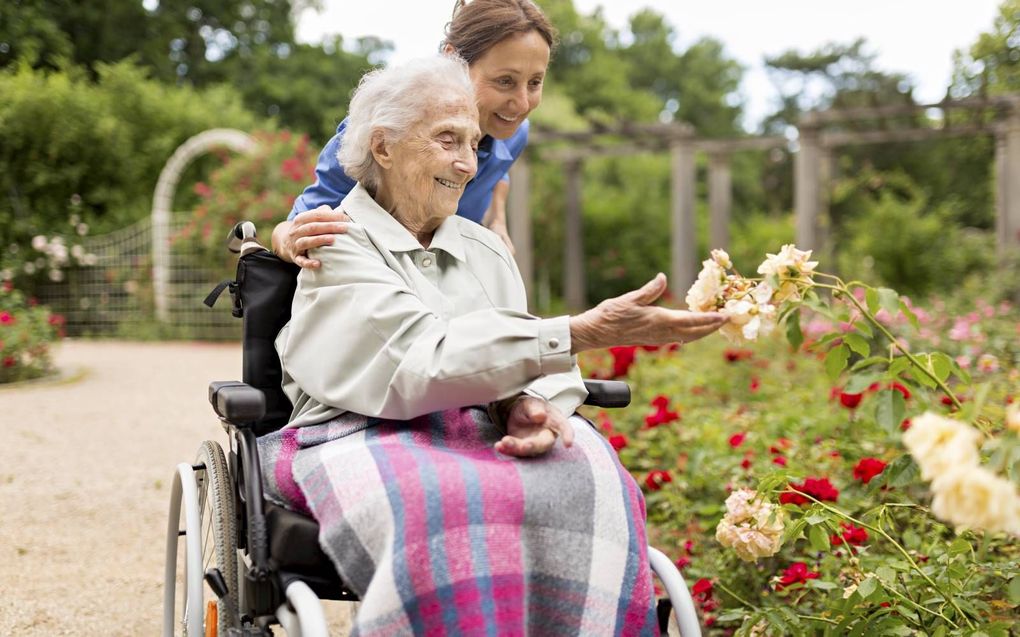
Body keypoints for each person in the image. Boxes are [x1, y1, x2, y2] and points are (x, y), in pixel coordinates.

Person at [258, 55, 726, 636]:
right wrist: (579, 331)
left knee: (596, 480)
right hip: (355, 426)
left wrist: (528, 403)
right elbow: (419, 360)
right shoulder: (336, 240)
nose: (465, 163)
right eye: (446, 140)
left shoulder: (485, 248)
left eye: (473, 144)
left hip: (477, 426)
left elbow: (517, 354)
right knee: (448, 506)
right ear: (383, 147)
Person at [271, 0, 554, 267]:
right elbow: (291, 228)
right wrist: (290, 242)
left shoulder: (513, 133)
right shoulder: (384, 130)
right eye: (505, 81)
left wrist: (497, 220)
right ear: (453, 59)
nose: (522, 103)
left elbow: (499, 173)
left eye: (535, 82)